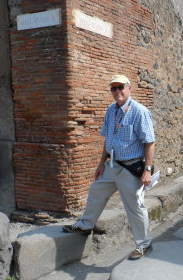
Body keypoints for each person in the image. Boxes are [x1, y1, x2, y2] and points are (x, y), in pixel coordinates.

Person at [63, 75, 155, 260]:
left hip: (131, 167)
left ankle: (144, 244)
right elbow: (108, 139)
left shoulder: (139, 111)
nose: (117, 91)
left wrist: (148, 170)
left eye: (120, 87)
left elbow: (150, 142)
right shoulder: (111, 110)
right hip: (111, 165)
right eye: (113, 88)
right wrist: (100, 164)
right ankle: (85, 225)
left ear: (129, 88)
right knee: (96, 191)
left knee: (135, 207)